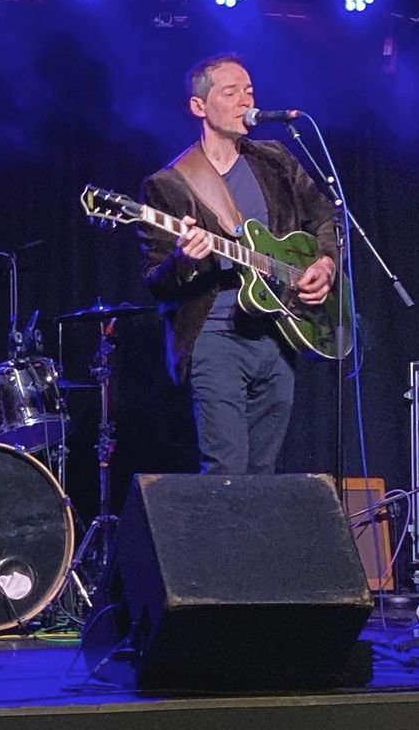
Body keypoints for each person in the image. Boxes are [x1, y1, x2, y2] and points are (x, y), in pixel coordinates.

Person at [139, 55, 337, 476]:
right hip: (215, 335)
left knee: (264, 471)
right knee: (226, 468)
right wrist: (183, 259)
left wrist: (325, 264)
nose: (246, 100)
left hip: (280, 329)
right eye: (230, 92)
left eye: (248, 91)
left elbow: (324, 217)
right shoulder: (170, 184)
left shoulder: (275, 160)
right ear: (199, 106)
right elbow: (156, 280)